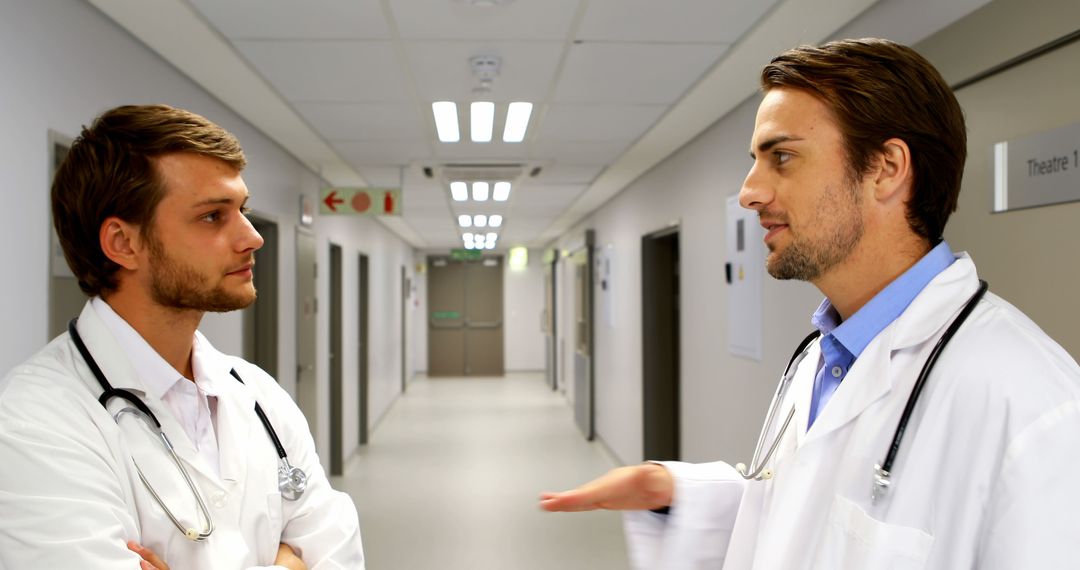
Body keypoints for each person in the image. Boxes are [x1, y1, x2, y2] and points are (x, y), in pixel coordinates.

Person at [540, 38, 1080, 569]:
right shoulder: (821, 358)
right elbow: (805, 520)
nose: (749, 191)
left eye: (782, 157)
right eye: (756, 160)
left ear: (886, 169)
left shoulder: (1035, 407)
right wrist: (677, 492)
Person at [0, 105, 364, 569]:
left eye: (242, 210)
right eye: (213, 216)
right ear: (123, 243)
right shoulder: (36, 421)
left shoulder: (257, 393)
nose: (252, 237)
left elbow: (340, 552)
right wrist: (289, 563)